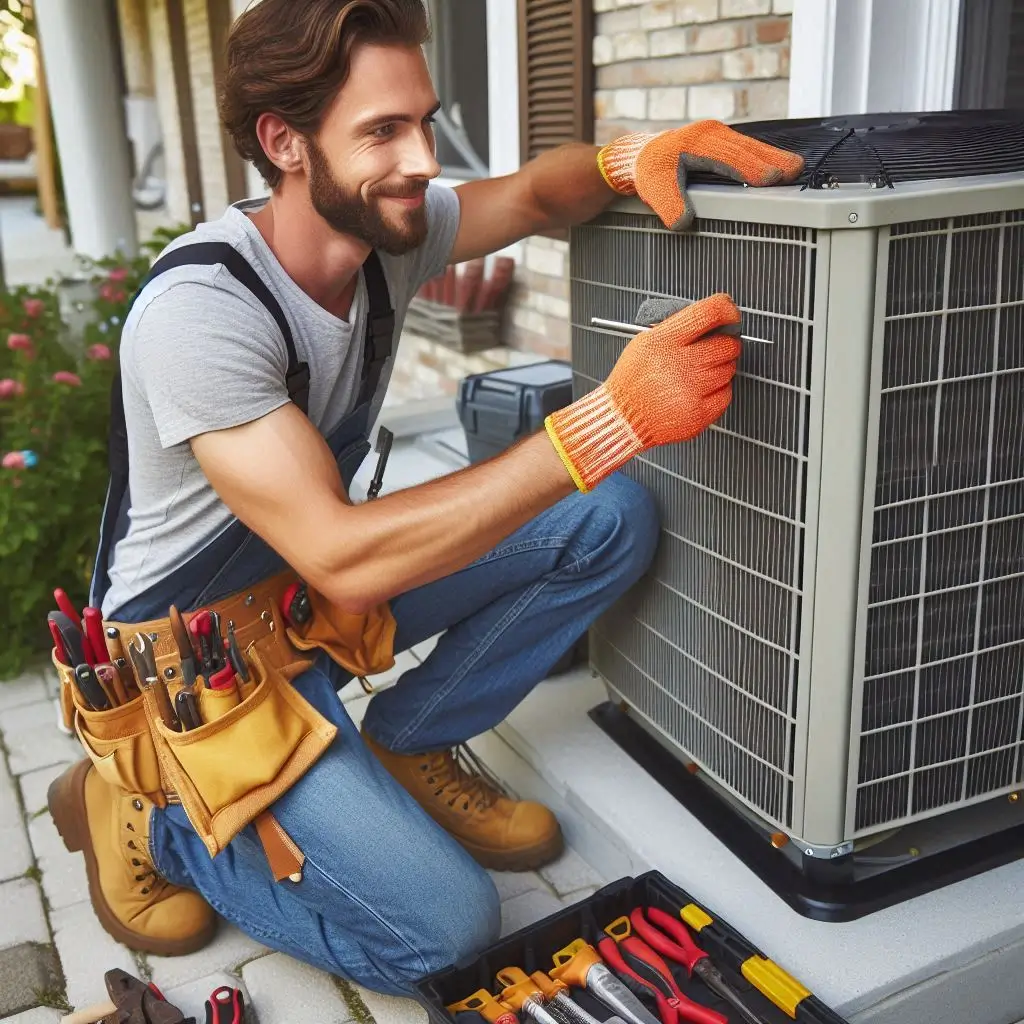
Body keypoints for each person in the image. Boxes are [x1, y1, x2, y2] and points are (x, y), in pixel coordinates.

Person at [47, 0, 804, 998]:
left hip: (306, 607)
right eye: (381, 131)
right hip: (202, 671)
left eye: (423, 120)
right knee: (447, 930)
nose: (421, 157)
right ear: (285, 143)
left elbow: (535, 194)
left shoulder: (385, 230)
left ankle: (412, 736)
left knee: (609, 517)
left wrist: (630, 157)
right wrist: (605, 419)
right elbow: (344, 551)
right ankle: (156, 814)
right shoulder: (200, 314)